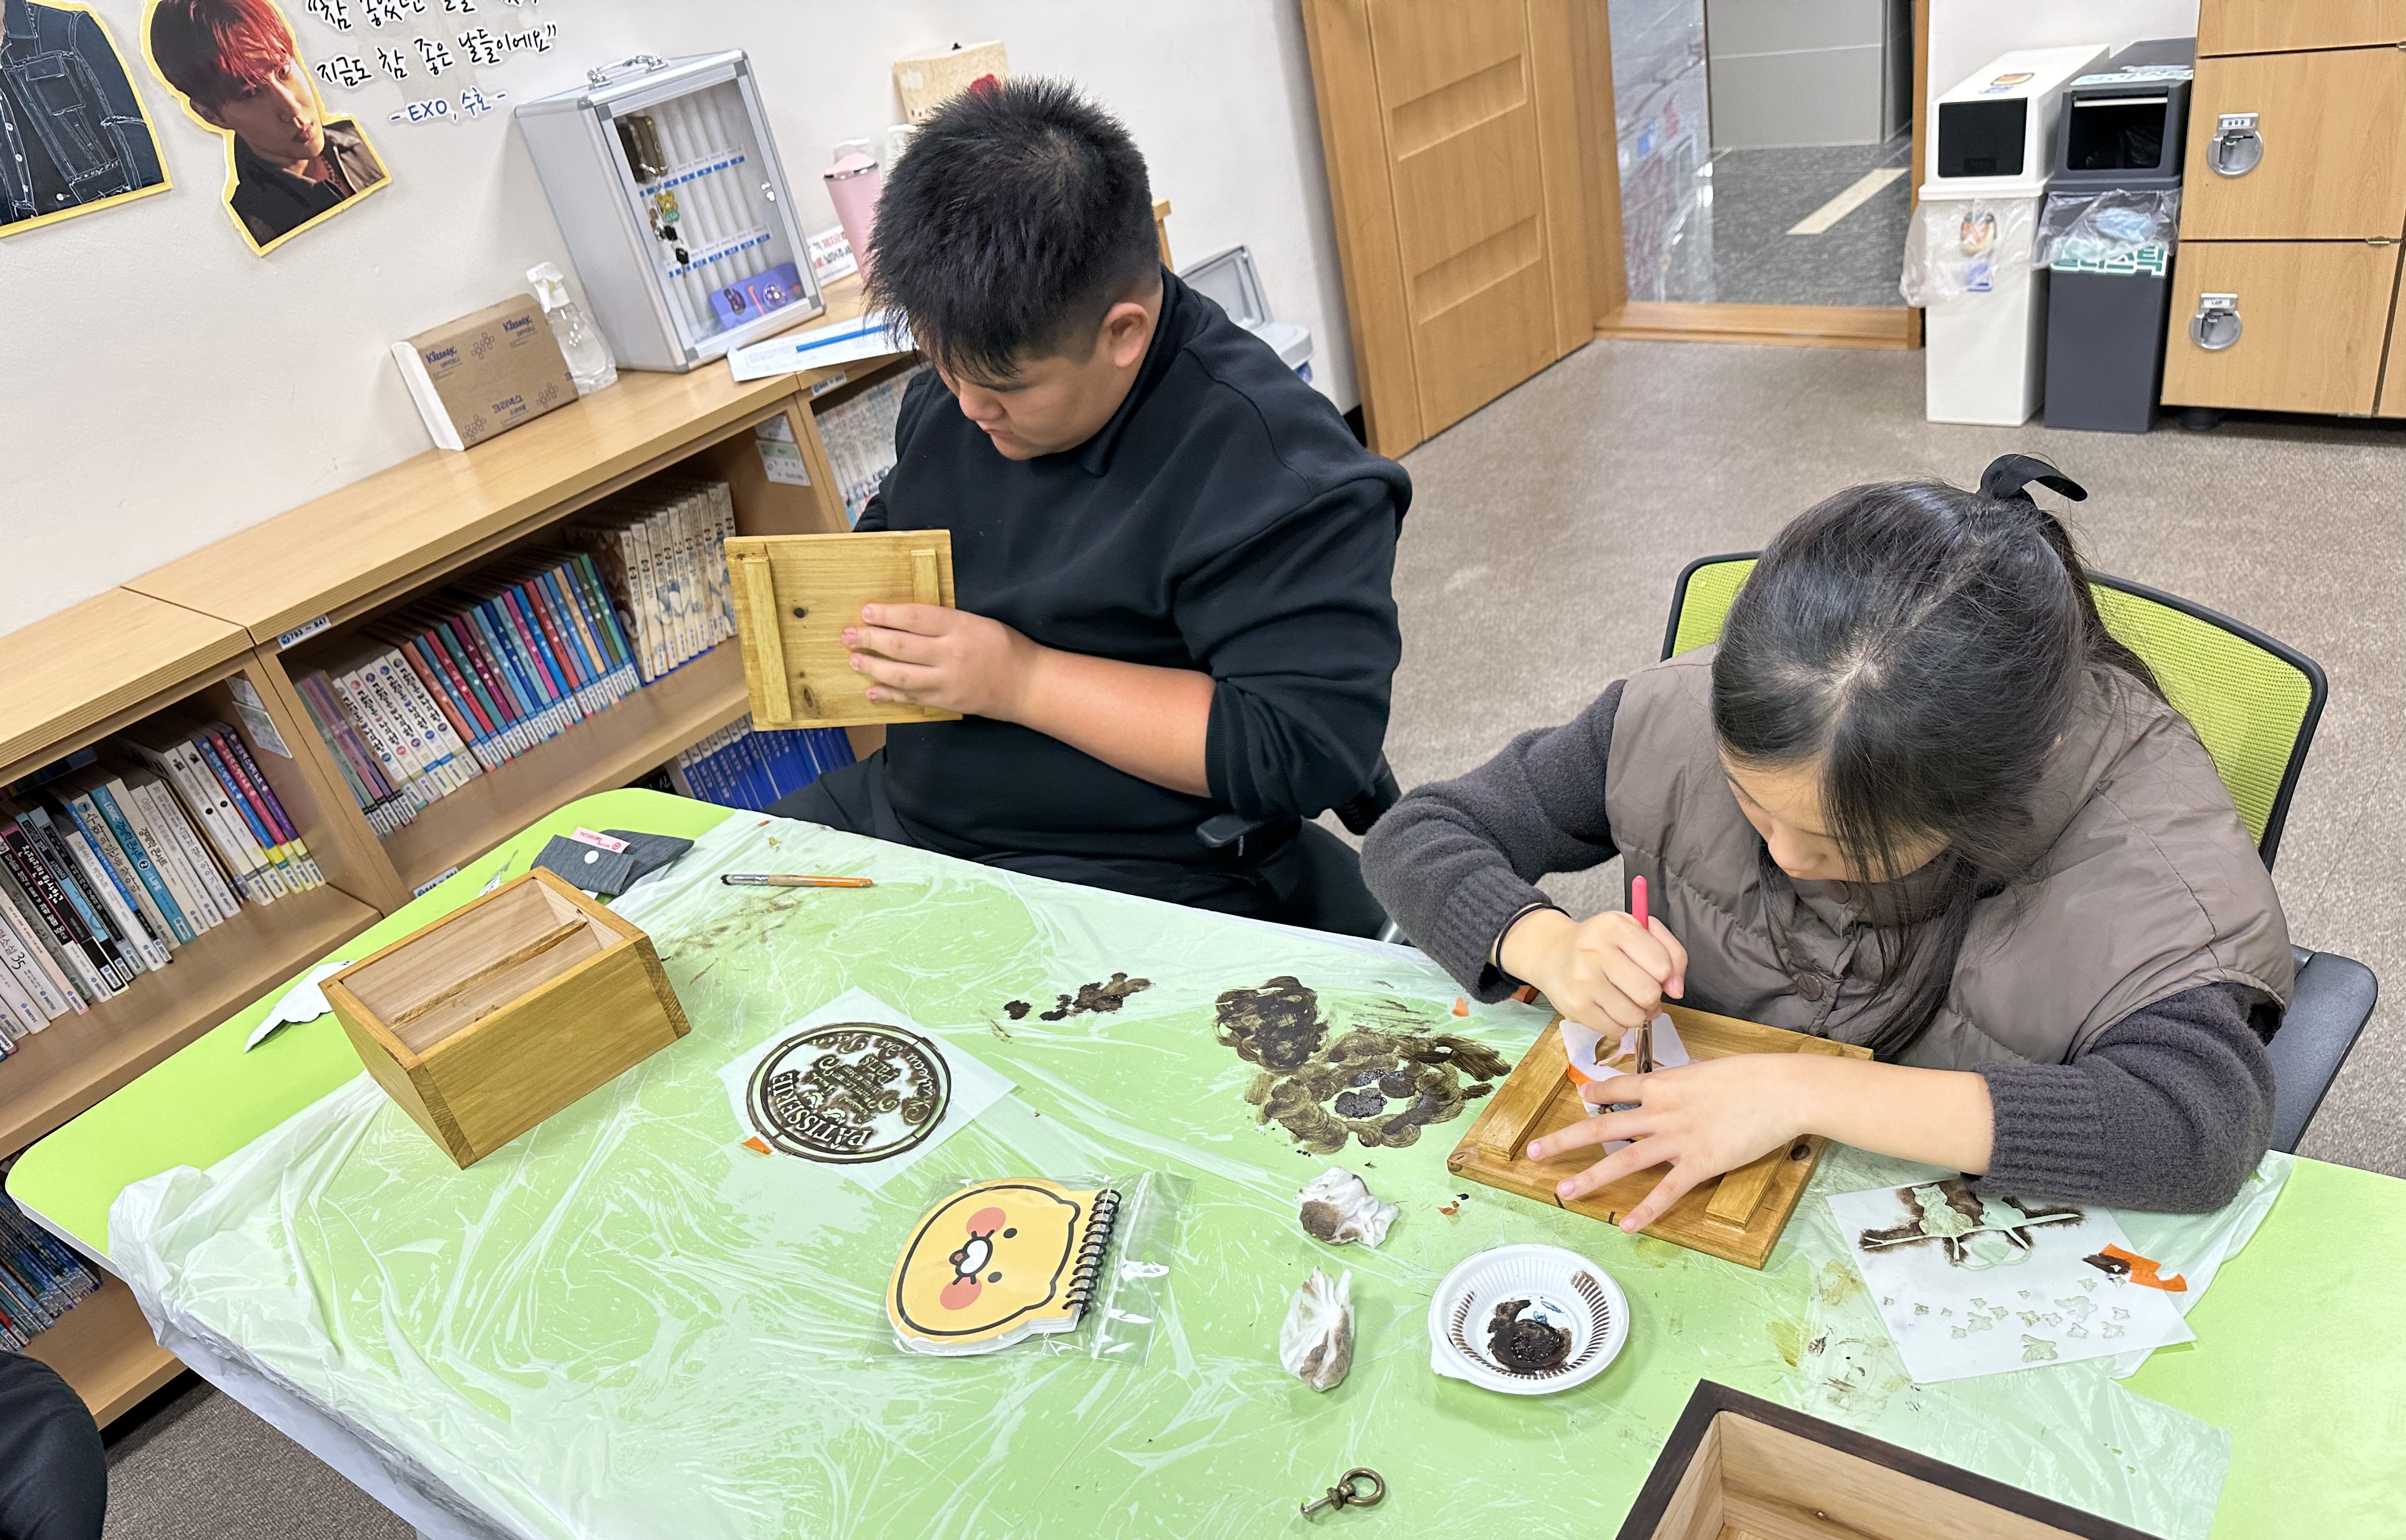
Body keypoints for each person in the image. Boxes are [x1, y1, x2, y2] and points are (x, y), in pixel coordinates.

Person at [1362, 455, 2293, 1226]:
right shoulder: (1687, 713)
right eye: (1751, 804)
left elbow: (2199, 1133)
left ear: (2002, 789)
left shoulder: (2149, 848)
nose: (1786, 858)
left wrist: (1805, 1093)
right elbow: (1420, 832)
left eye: (1847, 845)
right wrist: (1545, 944)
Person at [768, 78, 1409, 919]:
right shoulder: (961, 392)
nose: (968, 407)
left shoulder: (1276, 470)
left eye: (1005, 386)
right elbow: (903, 522)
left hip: (1142, 866)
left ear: (1123, 333)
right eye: (942, 365)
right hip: (911, 813)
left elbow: (1302, 748)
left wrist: (1020, 679)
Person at [147, 0, 385, 250]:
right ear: (213, 116)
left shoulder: (361, 137)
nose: (291, 109)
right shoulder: (252, 224)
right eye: (250, 93)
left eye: (283, 70)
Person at [0, 0, 166, 230]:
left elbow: (126, 124)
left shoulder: (68, 28)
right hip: (27, 231)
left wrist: (152, 210)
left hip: (107, 210)